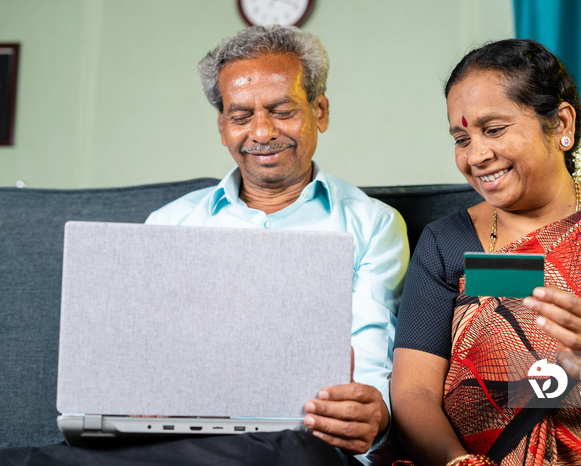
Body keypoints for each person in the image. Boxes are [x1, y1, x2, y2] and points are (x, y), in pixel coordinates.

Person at [0, 25, 408, 466]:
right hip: (167, 441)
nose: (262, 131)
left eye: (282, 110)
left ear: (320, 111)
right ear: (222, 126)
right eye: (240, 116)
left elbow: (371, 355)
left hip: (298, 443)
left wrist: (370, 412)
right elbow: (133, 355)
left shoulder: (373, 224)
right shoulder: (172, 221)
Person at [391, 39, 581, 466]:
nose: (476, 155)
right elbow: (413, 392)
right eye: (461, 138)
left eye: (494, 129)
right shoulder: (447, 242)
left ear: (561, 124)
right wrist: (455, 460)